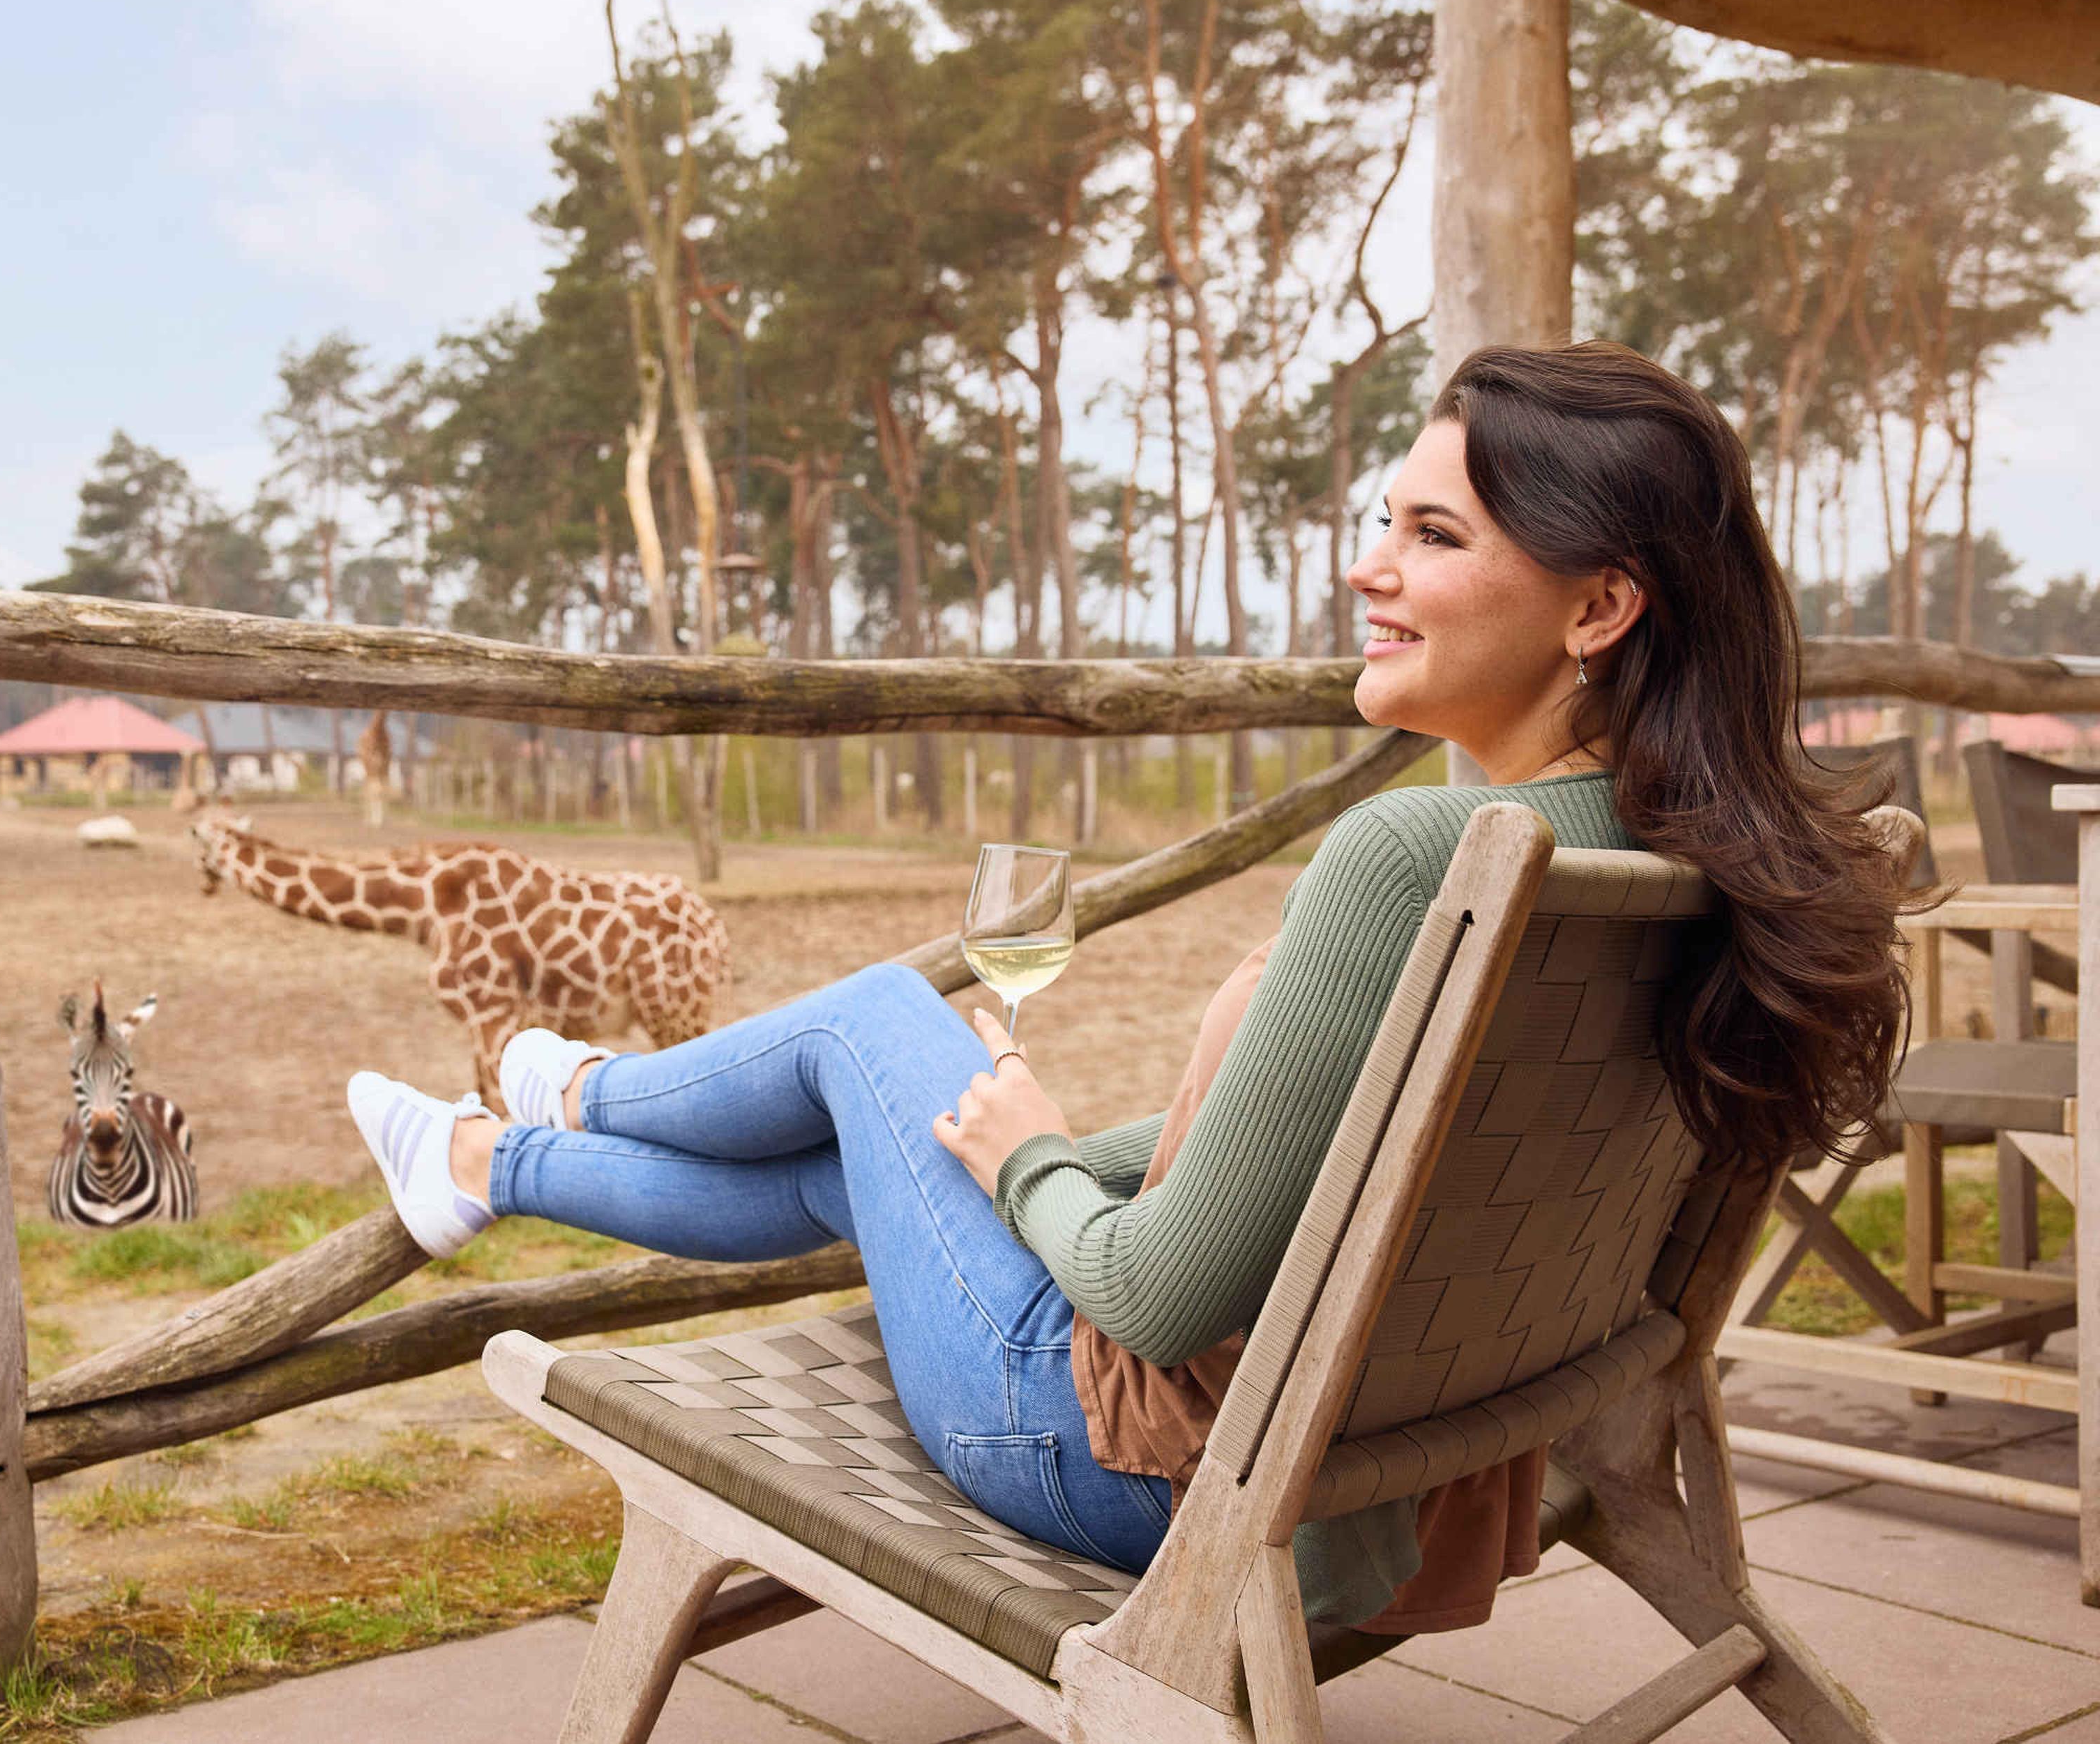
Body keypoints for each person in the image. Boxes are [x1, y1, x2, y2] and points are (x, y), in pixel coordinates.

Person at [344, 341, 1908, 1634]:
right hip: (1407, 1450)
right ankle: (492, 1160)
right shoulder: (1698, 863)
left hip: (1132, 1464)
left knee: (873, 1024)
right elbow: (1361, 1151)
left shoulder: (1415, 859)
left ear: (1597, 608)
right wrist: (1022, 1149)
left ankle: (558, 1092)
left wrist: (1023, 1152)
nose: (1369, 569)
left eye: (1436, 537)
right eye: (1388, 520)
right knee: (868, 1133)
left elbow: (1157, 1296)